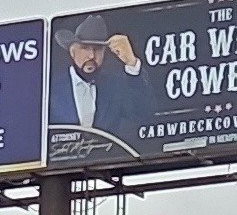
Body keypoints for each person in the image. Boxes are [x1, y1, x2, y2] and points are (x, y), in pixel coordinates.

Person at [46, 12, 157, 160]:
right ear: (73, 52)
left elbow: (143, 113)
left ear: (105, 52)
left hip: (105, 161)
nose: (91, 55)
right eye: (85, 48)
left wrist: (131, 63)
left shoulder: (114, 87)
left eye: (97, 49)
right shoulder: (50, 90)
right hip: (59, 162)